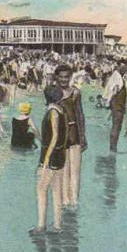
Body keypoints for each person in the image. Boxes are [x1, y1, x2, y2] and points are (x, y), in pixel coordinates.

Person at [32, 84, 67, 234]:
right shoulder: (60, 111)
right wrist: (36, 133)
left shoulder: (53, 112)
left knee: (41, 189)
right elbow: (50, 139)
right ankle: (57, 225)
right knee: (56, 190)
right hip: (59, 154)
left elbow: (54, 137)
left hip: (51, 155)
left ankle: (41, 225)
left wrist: (45, 160)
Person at [56, 64, 87, 208]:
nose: (63, 80)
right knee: (63, 168)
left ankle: (74, 200)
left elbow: (80, 115)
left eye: (66, 77)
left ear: (70, 78)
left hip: (74, 132)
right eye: (61, 77)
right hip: (60, 133)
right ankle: (64, 199)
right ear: (57, 77)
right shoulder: (53, 93)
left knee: (75, 169)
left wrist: (83, 136)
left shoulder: (76, 93)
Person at [103, 60, 127, 152]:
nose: (124, 69)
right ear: (118, 67)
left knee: (116, 125)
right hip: (117, 104)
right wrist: (108, 102)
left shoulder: (116, 75)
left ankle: (113, 147)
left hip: (117, 104)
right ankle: (113, 148)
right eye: (122, 67)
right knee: (117, 126)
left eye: (125, 68)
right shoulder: (118, 77)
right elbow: (114, 91)